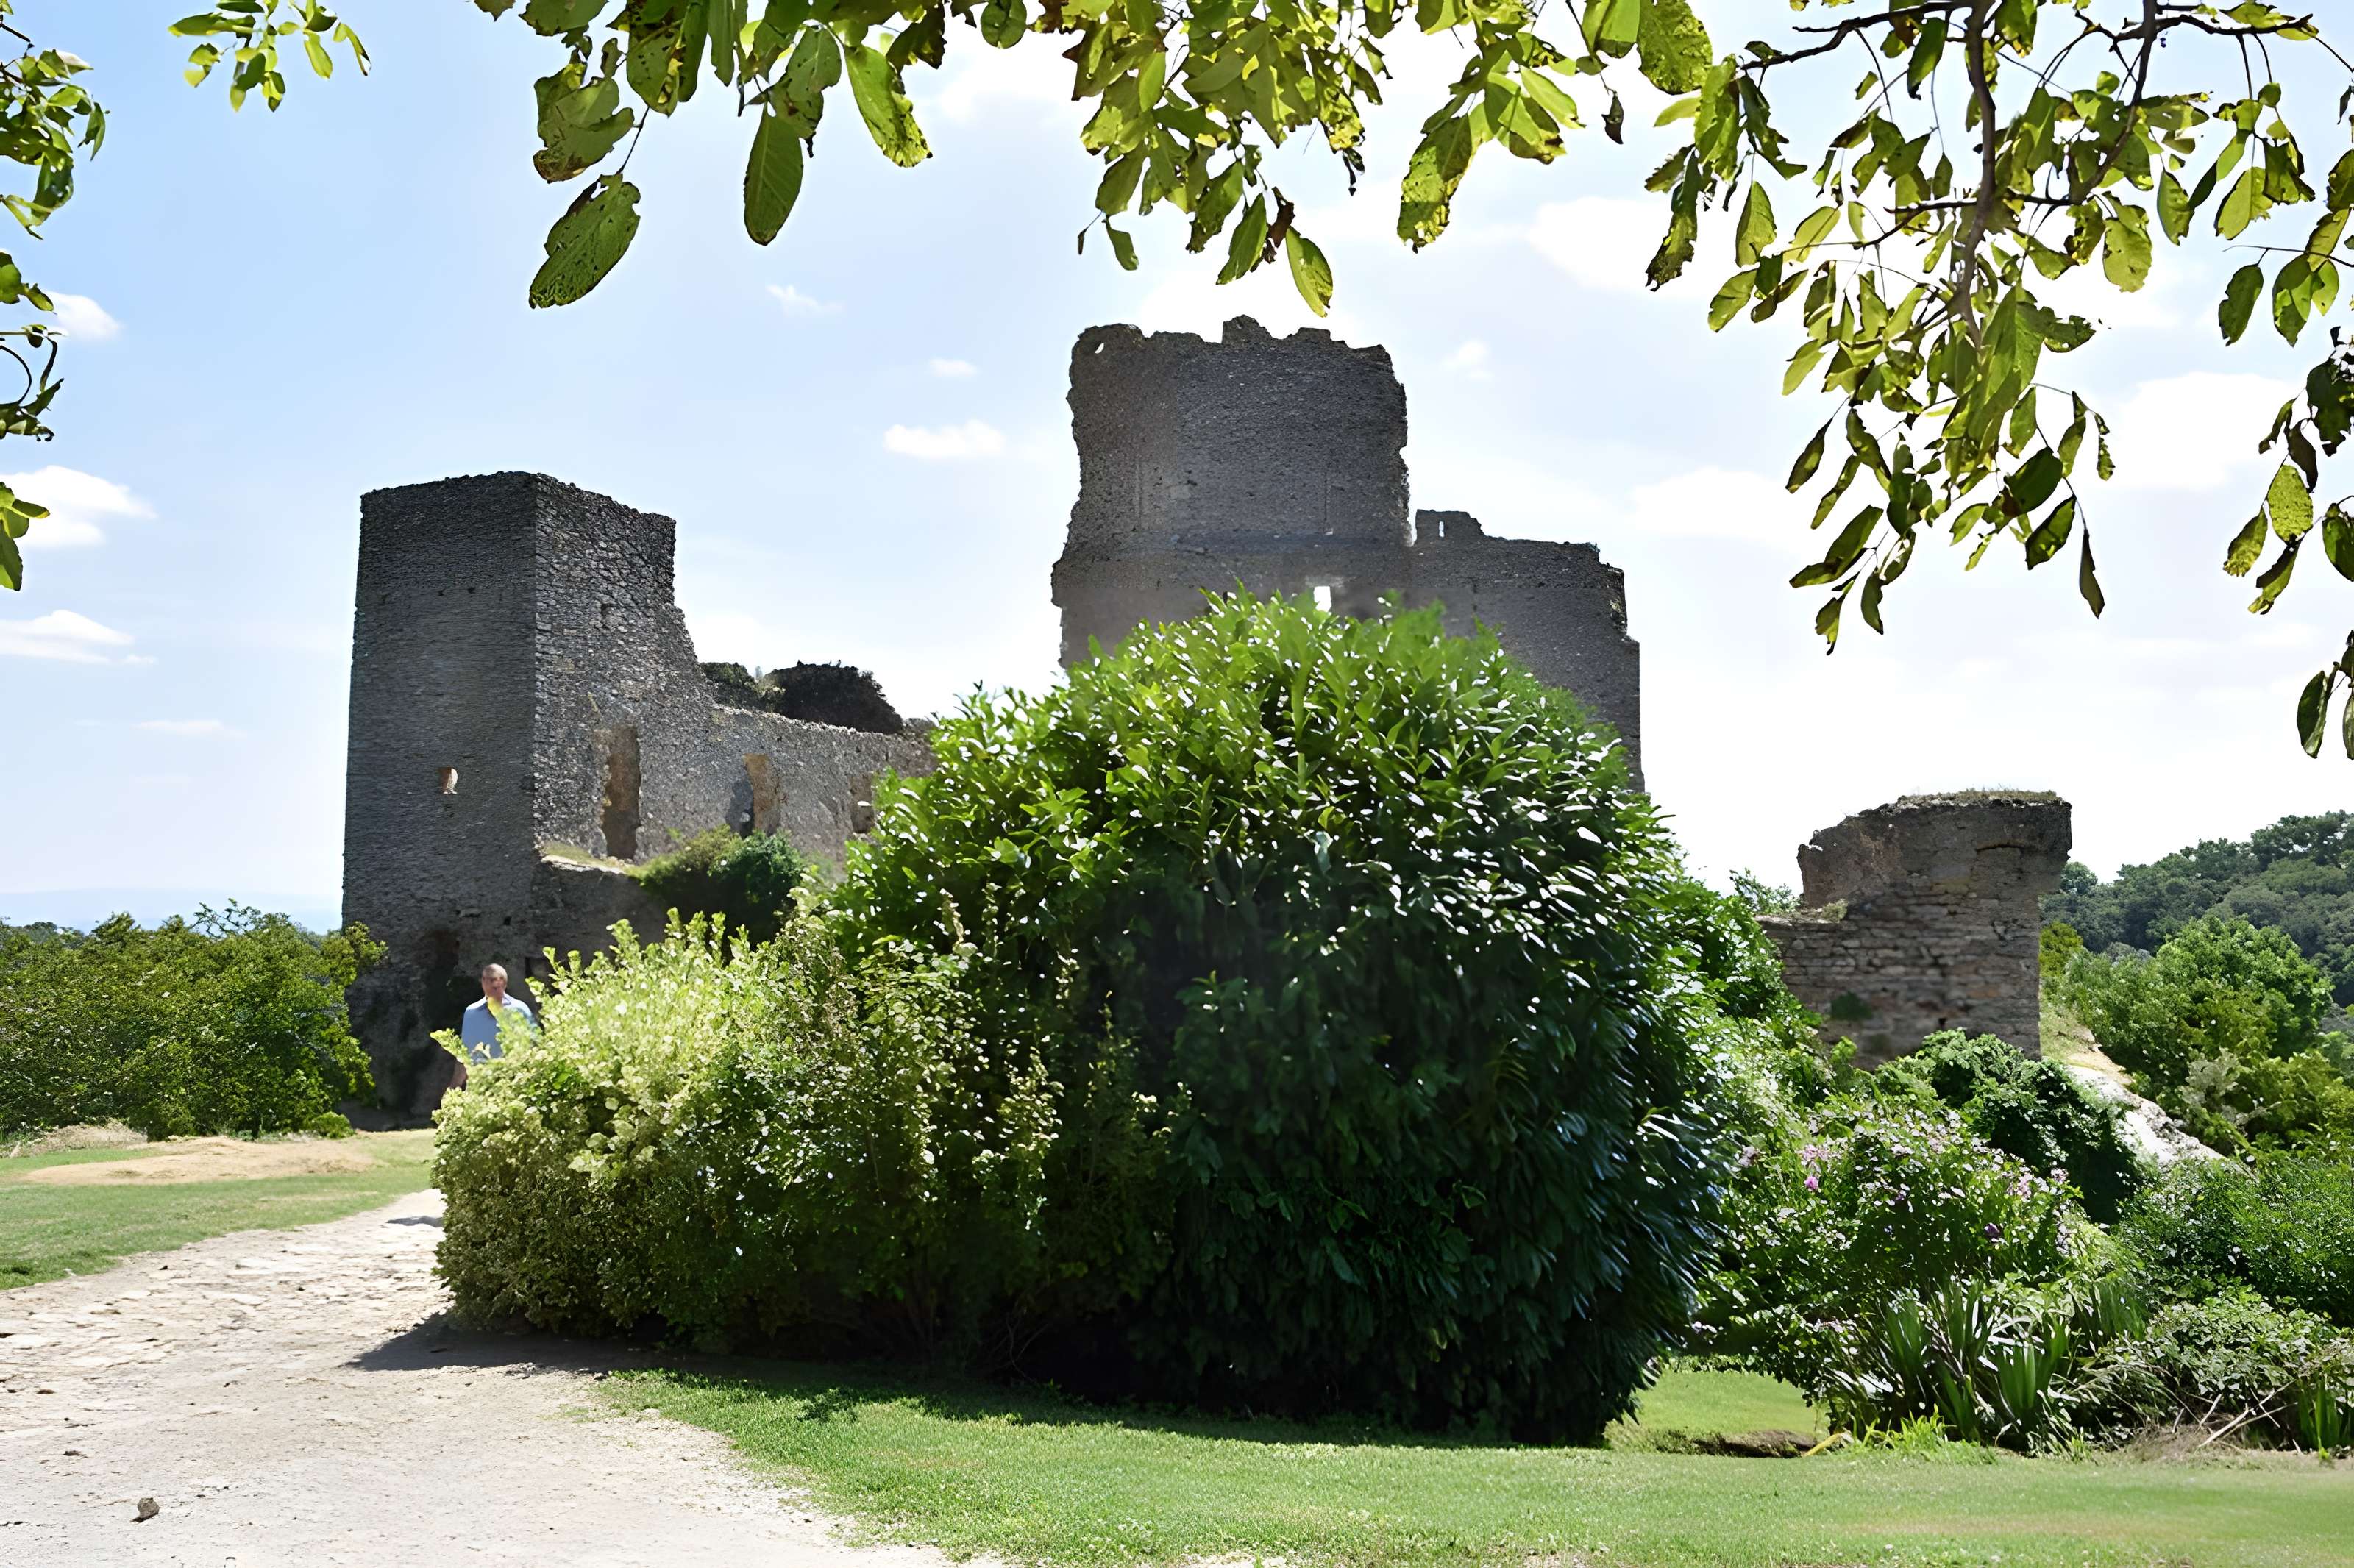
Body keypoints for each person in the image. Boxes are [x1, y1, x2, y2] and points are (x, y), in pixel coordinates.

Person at [452, 963, 534, 1088]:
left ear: (504, 983)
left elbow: (533, 1048)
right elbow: (464, 1056)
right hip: (479, 1088)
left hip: (513, 1085)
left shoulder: (519, 1009)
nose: (490, 984)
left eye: (494, 980)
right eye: (486, 980)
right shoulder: (471, 1012)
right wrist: (454, 1087)